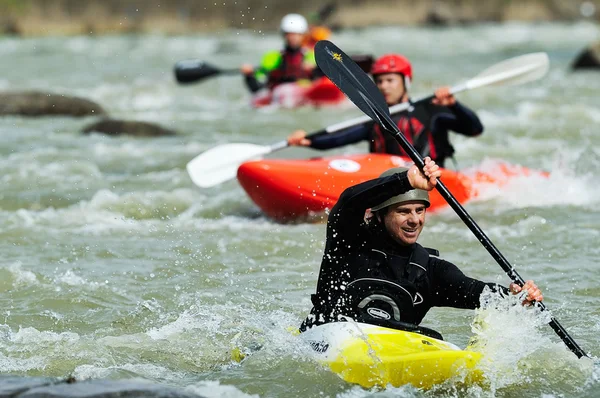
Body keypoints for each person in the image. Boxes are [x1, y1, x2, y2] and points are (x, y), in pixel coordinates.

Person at [299, 157, 543, 335]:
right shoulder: (348, 243)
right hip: (328, 337)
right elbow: (348, 202)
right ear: (380, 215)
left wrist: (515, 297)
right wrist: (406, 180)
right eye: (403, 211)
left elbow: (476, 293)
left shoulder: (429, 269)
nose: (414, 220)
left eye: (419, 210)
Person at [287, 54, 484, 168]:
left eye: (390, 80)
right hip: (390, 180)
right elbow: (341, 137)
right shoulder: (376, 120)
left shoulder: (431, 111)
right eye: (379, 81)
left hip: (430, 177)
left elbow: (475, 129)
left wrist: (453, 105)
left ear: (406, 82)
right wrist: (309, 140)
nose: (383, 86)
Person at [241, 14, 317, 93]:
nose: (293, 37)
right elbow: (257, 88)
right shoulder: (272, 57)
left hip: (306, 90)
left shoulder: (312, 56)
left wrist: (314, 70)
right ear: (284, 35)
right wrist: (249, 75)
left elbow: (322, 78)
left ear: (303, 35)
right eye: (289, 34)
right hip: (279, 91)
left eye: (297, 34)